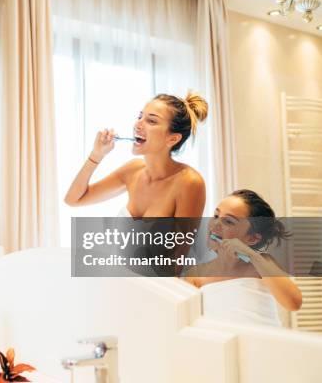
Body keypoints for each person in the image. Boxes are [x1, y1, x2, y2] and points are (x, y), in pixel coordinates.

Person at [64, 93, 208, 218]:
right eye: (140, 116)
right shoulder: (133, 170)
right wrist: (96, 155)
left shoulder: (189, 182)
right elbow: (73, 199)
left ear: (173, 138)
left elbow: (180, 249)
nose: (137, 124)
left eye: (151, 120)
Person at [184, 189, 302, 326]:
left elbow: (294, 303)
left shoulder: (262, 265)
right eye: (216, 216)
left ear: (252, 238)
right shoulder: (196, 275)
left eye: (228, 221)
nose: (214, 225)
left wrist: (252, 255)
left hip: (266, 344)